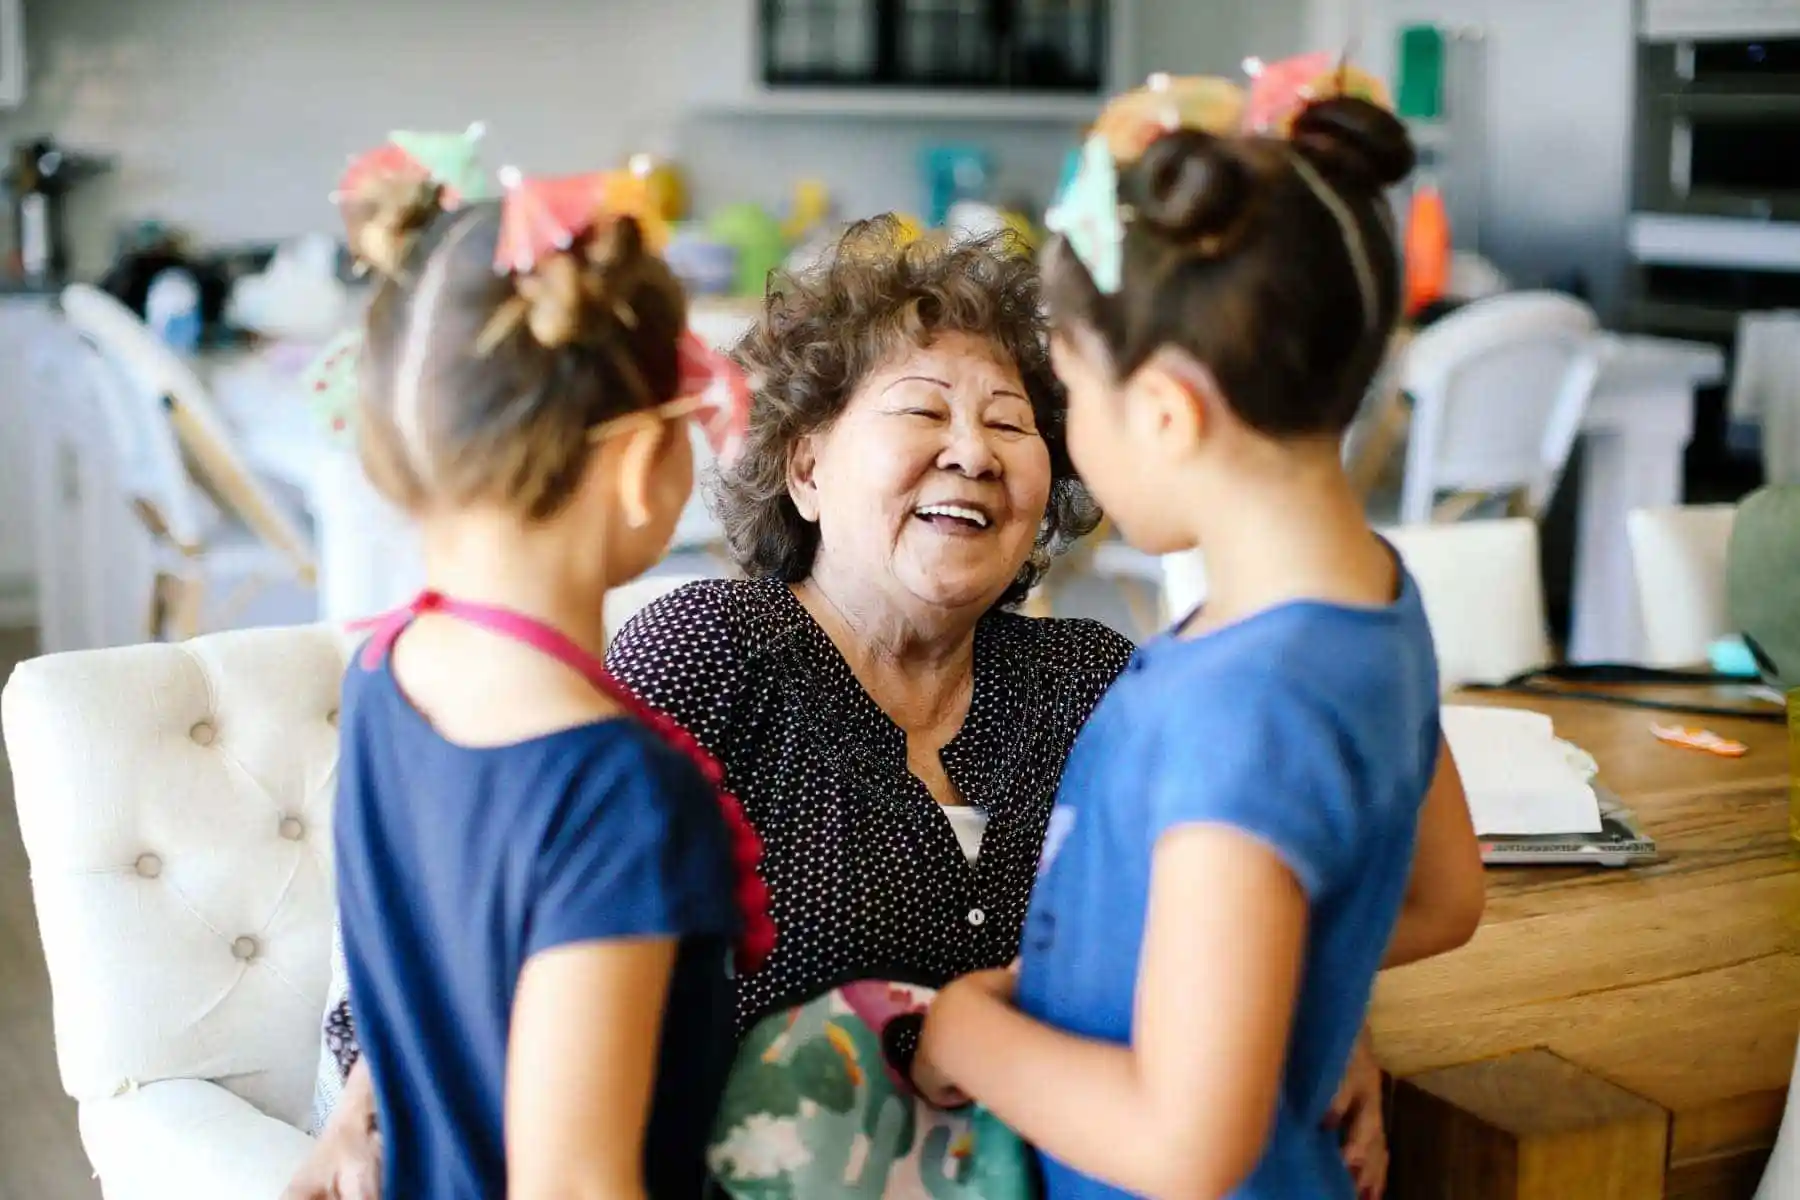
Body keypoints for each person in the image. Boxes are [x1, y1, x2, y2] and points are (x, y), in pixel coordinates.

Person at [295, 219, 1437, 1198]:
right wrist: (367, 1100)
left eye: (1012, 422)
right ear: (806, 467)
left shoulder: (1098, 679)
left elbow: (1238, 886)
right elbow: (473, 889)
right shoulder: (708, 657)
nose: (972, 453)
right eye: (924, 410)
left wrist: (1320, 1024)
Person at [917, 78, 1485, 1198]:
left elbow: (1187, 1148)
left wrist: (965, 1035)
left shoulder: (1242, 713)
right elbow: (1440, 898)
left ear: (1170, 413)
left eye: (1071, 390)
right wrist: (1244, 1001)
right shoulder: (1371, 603)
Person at [300, 155, 771, 1199]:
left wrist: (356, 1115)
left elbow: (440, 991)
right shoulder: (620, 795)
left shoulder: (384, 673)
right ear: (643, 466)